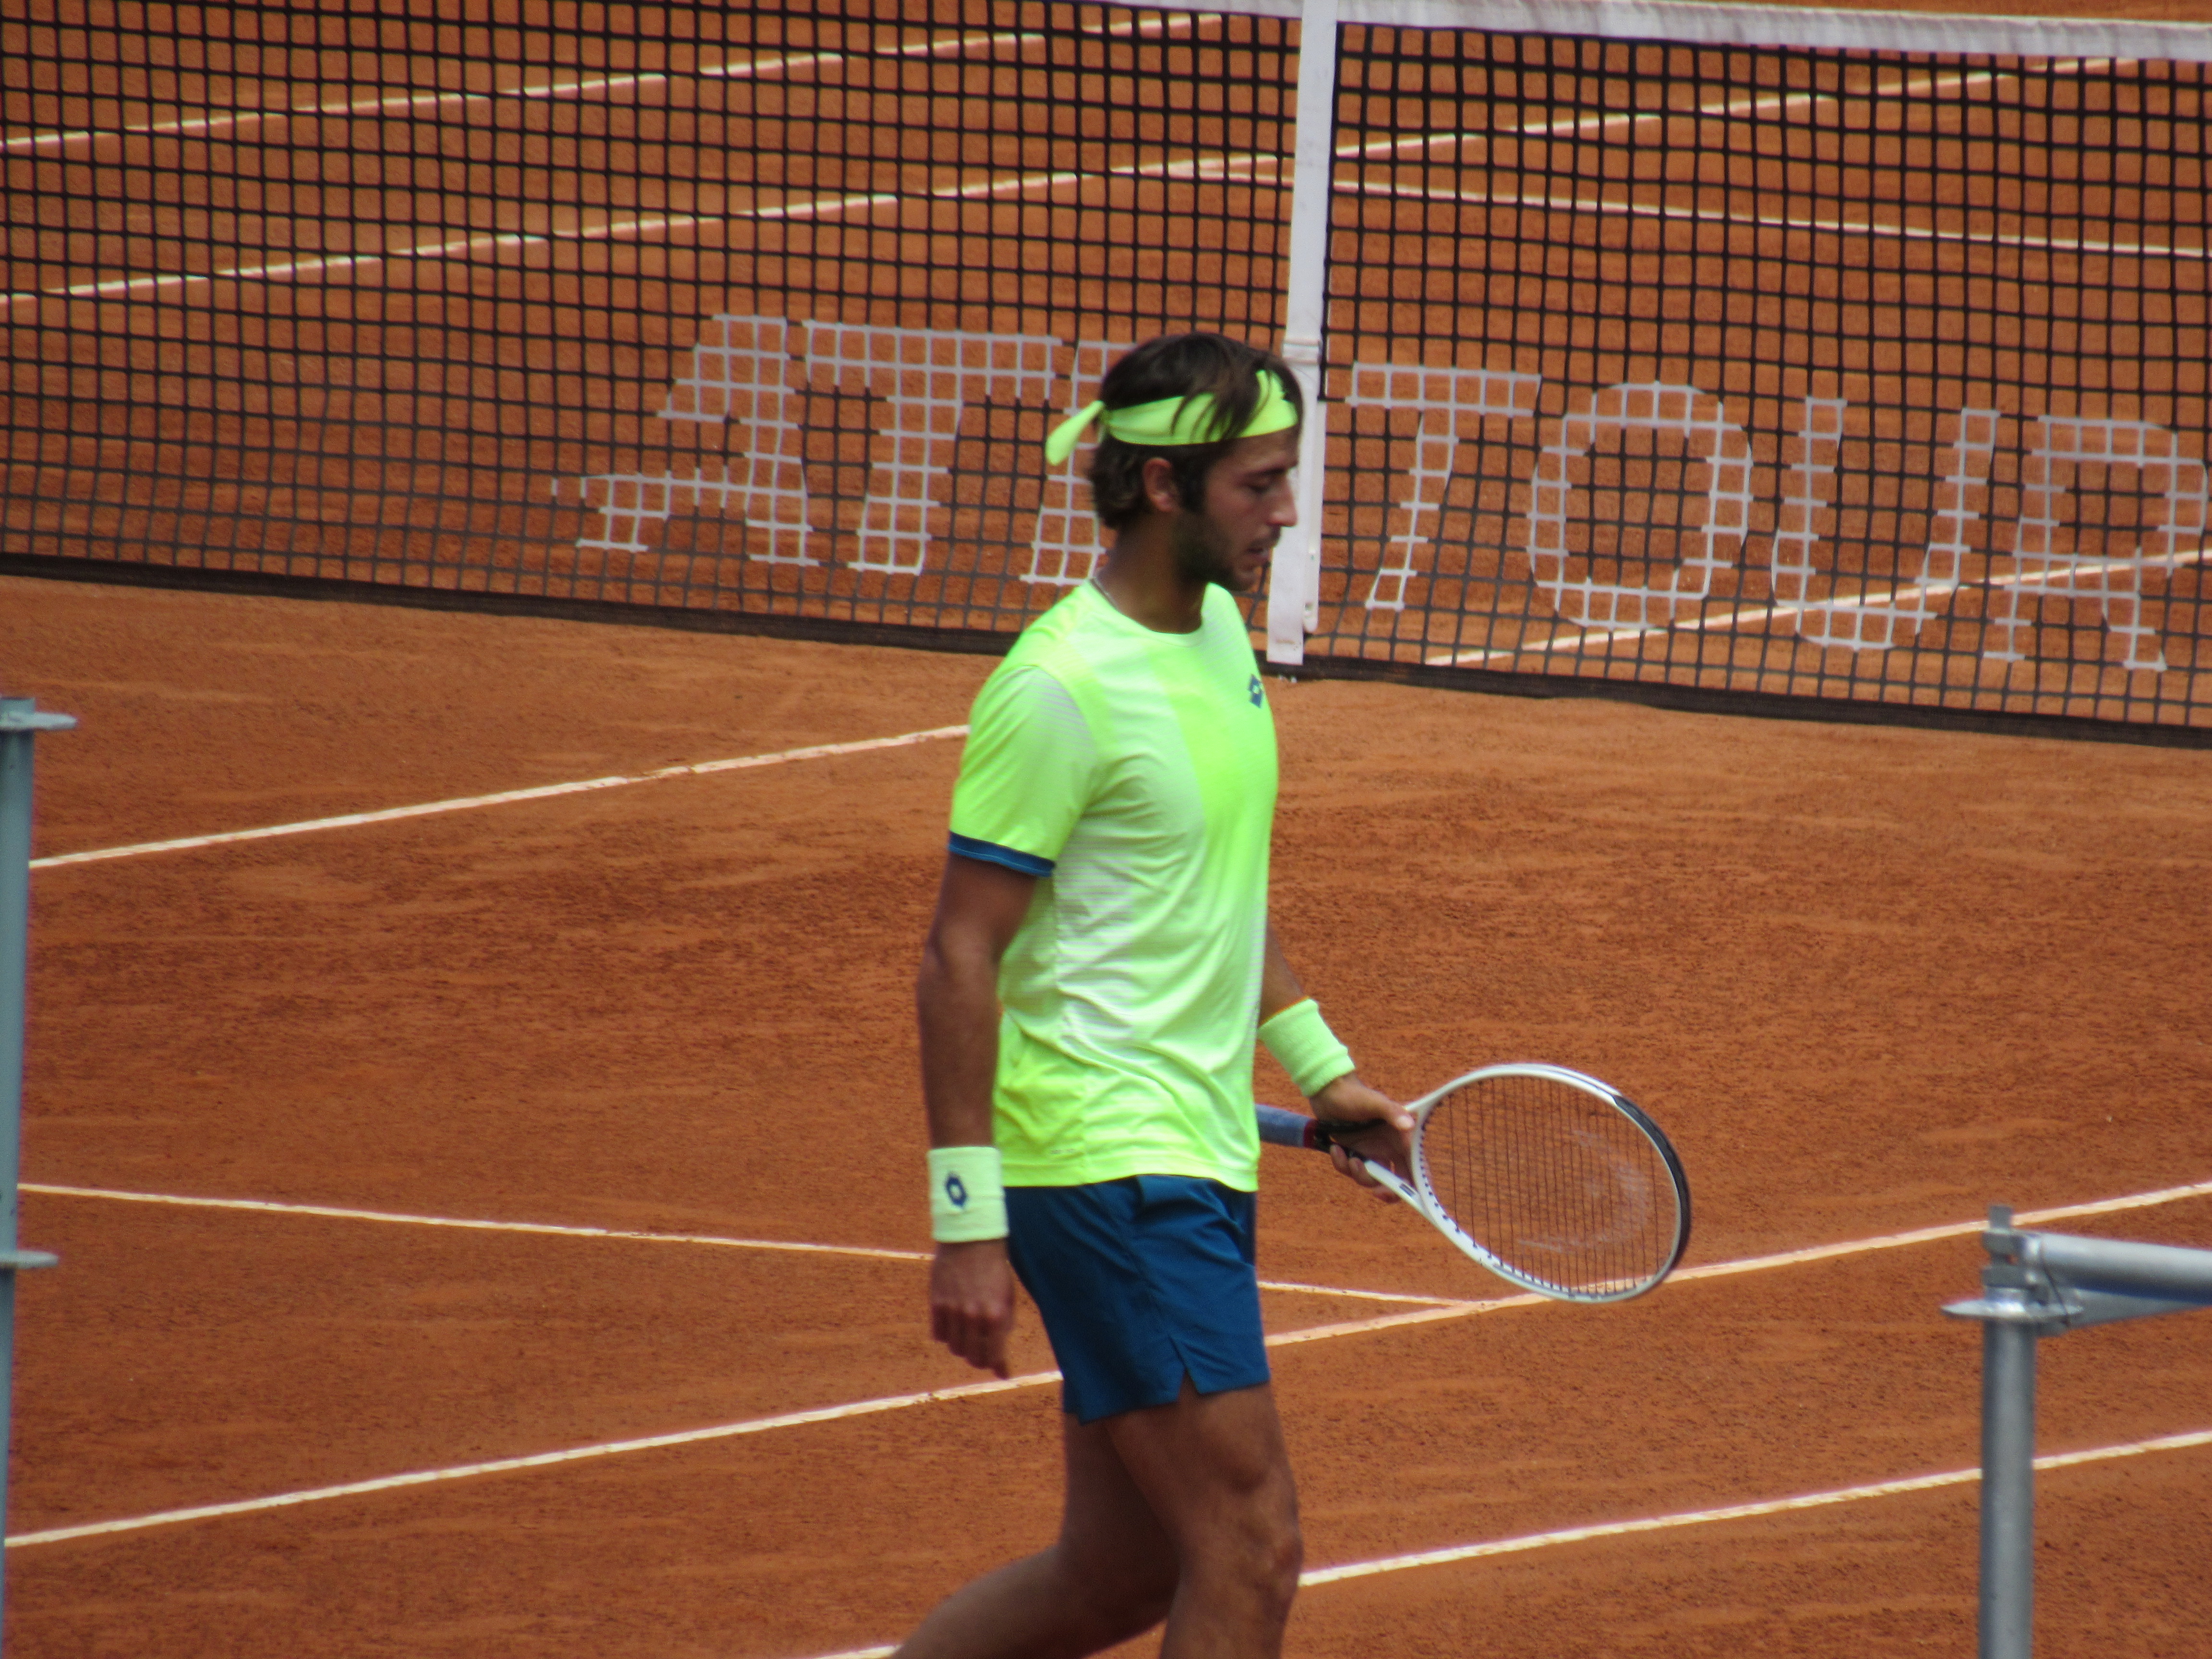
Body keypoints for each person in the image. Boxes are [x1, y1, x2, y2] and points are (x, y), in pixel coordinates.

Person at [902, 332, 1411, 1659]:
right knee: (1251, 1545)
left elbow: (1213, 889)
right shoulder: (1062, 690)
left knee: (1116, 1572)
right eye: (1261, 486)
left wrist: (1320, 1067)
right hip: (1109, 1166)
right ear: (1167, 488)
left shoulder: (1219, 634)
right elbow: (960, 956)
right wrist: (967, 1218)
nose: (1289, 514)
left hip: (1191, 1147)